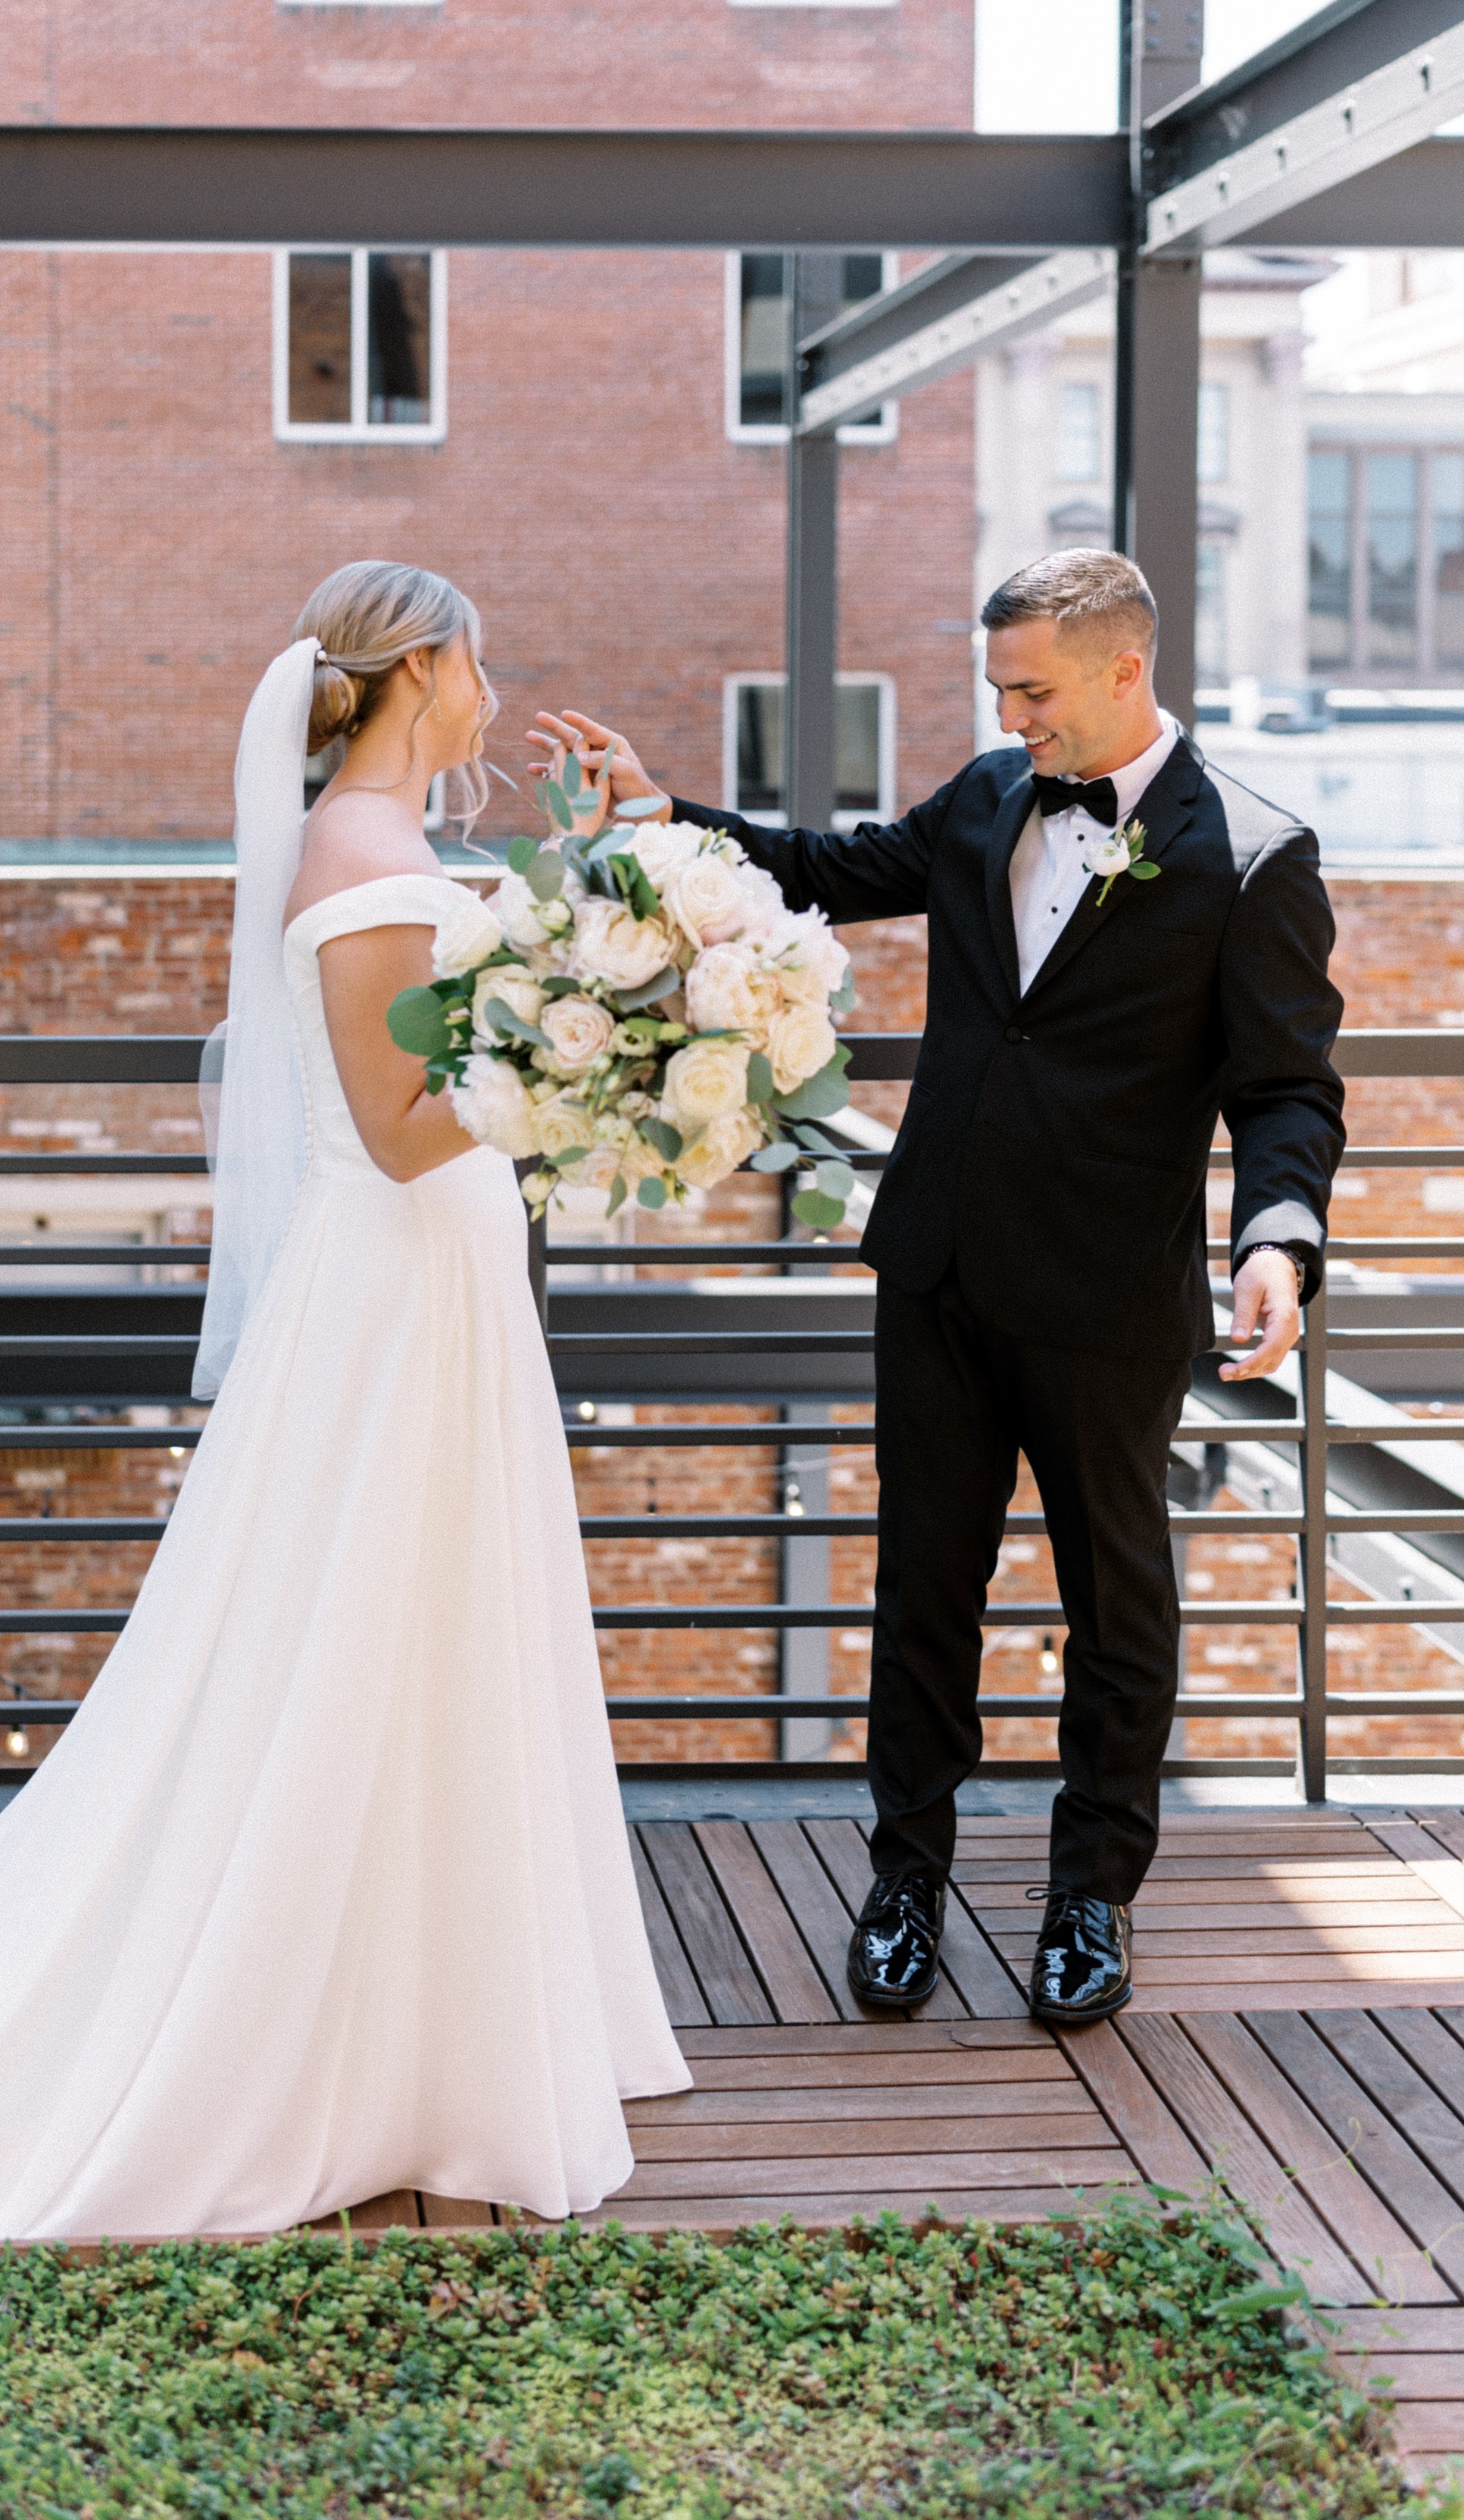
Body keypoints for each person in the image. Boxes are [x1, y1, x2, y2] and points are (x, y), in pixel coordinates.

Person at [0, 561, 687, 2247]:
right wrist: (583, 1050)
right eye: (478, 655)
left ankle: (449, 2010)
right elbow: (406, 1120)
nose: (494, 683)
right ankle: (367, 2037)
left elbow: (463, 1021)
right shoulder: (360, 853)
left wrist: (599, 891)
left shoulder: (386, 843)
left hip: (436, 1285)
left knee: (437, 1638)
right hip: (398, 1291)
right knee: (370, 1635)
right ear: (420, 665)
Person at [529, 548, 1344, 2028]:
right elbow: (831, 871)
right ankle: (901, 1878)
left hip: (1107, 1294)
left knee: (1116, 1607)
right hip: (938, 1272)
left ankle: (1088, 1894)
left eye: (1032, 690)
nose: (1011, 716)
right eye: (999, 691)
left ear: (1119, 669)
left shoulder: (1253, 851)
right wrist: (662, 816)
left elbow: (1285, 1087)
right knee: (921, 1593)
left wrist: (1275, 1238)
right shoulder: (983, 795)